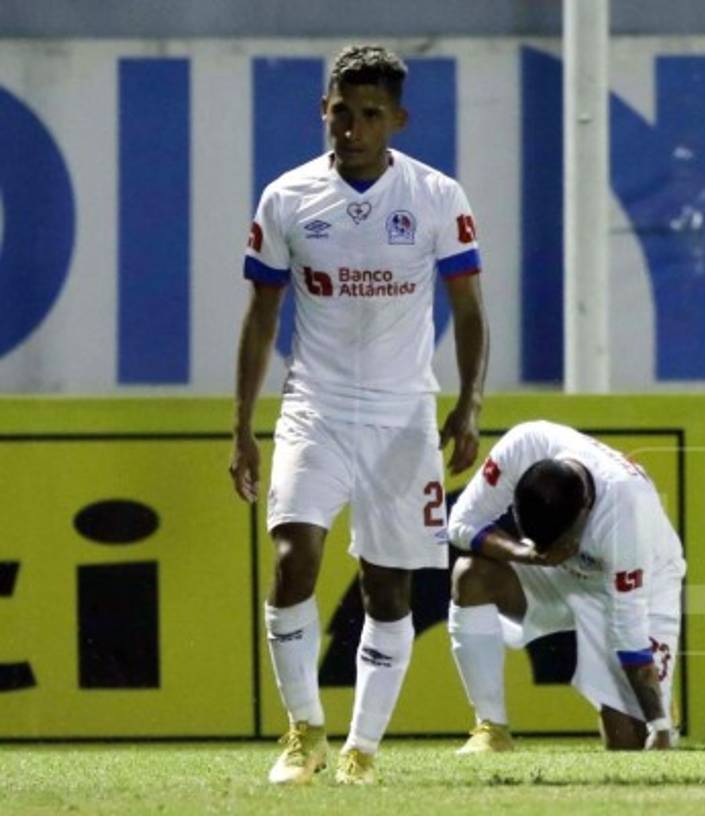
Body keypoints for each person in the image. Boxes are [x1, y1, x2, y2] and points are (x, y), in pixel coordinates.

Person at [227, 44, 488, 785]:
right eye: (342, 111)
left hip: (404, 414)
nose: (353, 127)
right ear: (324, 109)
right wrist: (243, 426)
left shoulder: (437, 197)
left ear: (397, 120)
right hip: (315, 406)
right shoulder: (287, 198)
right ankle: (303, 732)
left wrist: (468, 402)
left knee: (388, 588)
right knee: (293, 560)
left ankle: (362, 749)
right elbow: (259, 317)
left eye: (371, 114)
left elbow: (469, 309)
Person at [447, 421, 685, 751]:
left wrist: (659, 727)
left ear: (586, 507)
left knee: (628, 744)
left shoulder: (626, 510)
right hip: (555, 572)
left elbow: (628, 630)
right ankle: (491, 728)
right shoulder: (524, 445)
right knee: (470, 575)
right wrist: (528, 553)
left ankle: (661, 705)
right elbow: (460, 523)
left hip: (641, 585)